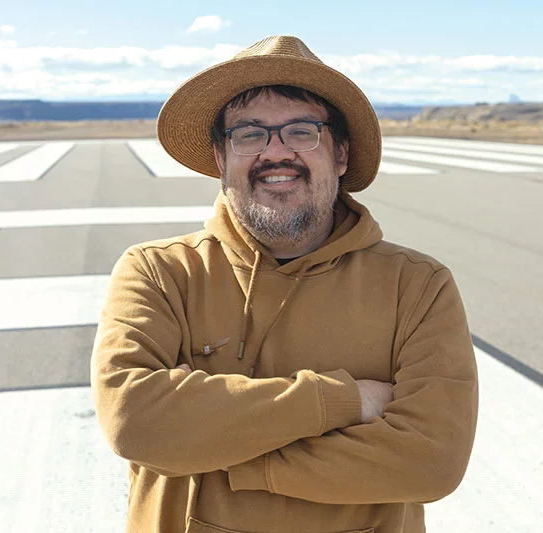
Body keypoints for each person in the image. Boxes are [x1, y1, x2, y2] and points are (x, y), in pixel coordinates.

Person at [91, 35, 478, 533]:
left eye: (301, 131)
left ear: (340, 154)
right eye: (249, 134)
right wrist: (347, 401)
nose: (276, 153)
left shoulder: (418, 287)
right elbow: (135, 421)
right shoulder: (159, 272)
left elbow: (431, 461)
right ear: (219, 157)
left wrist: (225, 455)